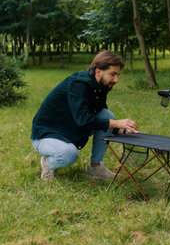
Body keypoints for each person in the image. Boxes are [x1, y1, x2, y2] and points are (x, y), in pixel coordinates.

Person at [31, 51, 138, 181]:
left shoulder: (100, 86)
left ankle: (95, 167)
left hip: (67, 132)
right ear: (98, 71)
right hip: (46, 135)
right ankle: (48, 163)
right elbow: (84, 120)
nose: (116, 80)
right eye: (113, 74)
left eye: (117, 75)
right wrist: (116, 123)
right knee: (69, 154)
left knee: (106, 114)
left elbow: (100, 119)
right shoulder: (79, 84)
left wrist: (121, 130)